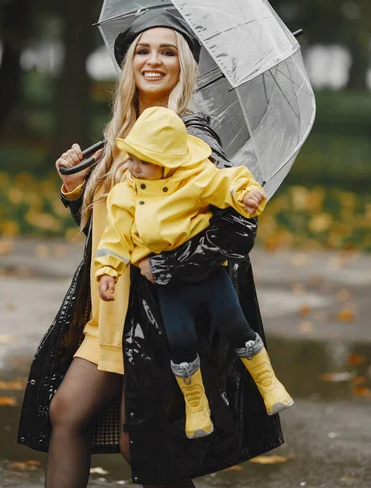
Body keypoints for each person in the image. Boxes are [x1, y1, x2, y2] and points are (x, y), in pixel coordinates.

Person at [17, 8, 284, 487]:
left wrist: (163, 264)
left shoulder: (191, 135)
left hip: (159, 312)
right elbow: (111, 230)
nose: (153, 60)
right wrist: (75, 188)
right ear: (128, 64)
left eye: (167, 51)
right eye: (143, 50)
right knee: (67, 411)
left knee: (142, 442)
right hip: (110, 309)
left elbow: (236, 228)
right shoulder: (123, 133)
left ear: (184, 66)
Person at [95, 106, 293, 440]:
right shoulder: (126, 195)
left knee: (236, 324)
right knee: (181, 341)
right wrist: (107, 271)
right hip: (169, 286)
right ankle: (196, 407)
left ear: (166, 162)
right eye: (130, 158)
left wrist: (246, 194)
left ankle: (269, 383)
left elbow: (226, 181)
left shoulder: (194, 177)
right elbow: (116, 237)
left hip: (209, 275)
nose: (132, 167)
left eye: (141, 161)